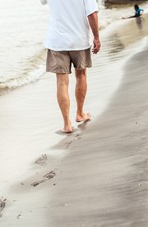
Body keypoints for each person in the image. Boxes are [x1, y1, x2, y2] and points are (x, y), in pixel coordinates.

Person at [40, 0, 101, 133]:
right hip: (79, 40)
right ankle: (80, 114)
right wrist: (96, 37)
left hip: (57, 41)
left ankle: (67, 124)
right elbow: (92, 13)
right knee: (81, 75)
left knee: (61, 82)